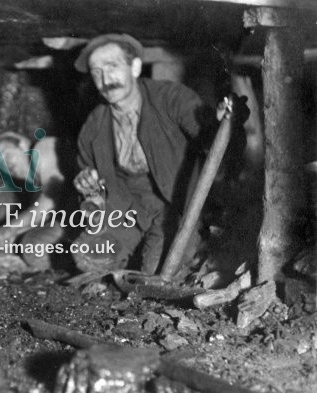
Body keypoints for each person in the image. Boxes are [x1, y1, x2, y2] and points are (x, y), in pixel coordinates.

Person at [71, 33, 247, 275]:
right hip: (127, 207)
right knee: (88, 256)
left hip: (174, 205)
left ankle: (198, 243)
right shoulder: (94, 124)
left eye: (112, 67)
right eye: (96, 71)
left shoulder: (170, 97)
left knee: (159, 271)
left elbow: (209, 134)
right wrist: (88, 186)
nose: (105, 79)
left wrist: (221, 123)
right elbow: (88, 174)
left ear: (134, 67)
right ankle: (128, 257)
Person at [0, 131, 76, 270]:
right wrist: (13, 234)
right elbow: (41, 217)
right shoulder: (34, 184)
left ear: (22, 144)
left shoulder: (43, 148)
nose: (5, 165)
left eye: (5, 154)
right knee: (31, 247)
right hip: (75, 219)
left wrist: (10, 228)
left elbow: (49, 202)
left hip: (99, 209)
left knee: (31, 247)